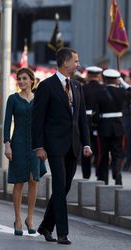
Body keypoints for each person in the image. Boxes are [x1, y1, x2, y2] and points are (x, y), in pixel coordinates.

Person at [32, 47, 92, 245]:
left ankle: (46, 226)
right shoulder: (47, 86)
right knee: (59, 185)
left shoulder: (76, 86)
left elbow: (82, 118)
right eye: (76, 61)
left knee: (64, 187)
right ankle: (62, 233)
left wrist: (86, 143)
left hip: (73, 145)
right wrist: (39, 146)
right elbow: (38, 119)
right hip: (54, 145)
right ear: (65, 63)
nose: (78, 64)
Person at [4, 67, 46, 236]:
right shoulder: (13, 99)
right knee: (19, 182)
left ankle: (30, 218)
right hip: (18, 143)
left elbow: (44, 122)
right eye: (19, 79)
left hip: (36, 144)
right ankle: (18, 219)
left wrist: (45, 145)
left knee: (33, 180)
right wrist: (7, 144)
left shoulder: (39, 99)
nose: (21, 82)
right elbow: (7, 123)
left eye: (24, 79)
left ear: (31, 80)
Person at [93, 68, 131, 185]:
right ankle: (117, 174)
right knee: (117, 153)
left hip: (103, 126)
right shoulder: (122, 92)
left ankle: (103, 178)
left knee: (103, 153)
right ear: (117, 80)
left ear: (105, 80)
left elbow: (96, 113)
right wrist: (124, 83)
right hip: (118, 126)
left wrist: (95, 126)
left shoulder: (99, 93)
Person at [81, 66, 103, 179]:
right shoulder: (103, 89)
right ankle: (99, 173)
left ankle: (86, 174)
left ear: (88, 76)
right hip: (99, 121)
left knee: (85, 147)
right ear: (99, 76)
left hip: (85, 120)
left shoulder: (83, 88)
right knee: (99, 148)